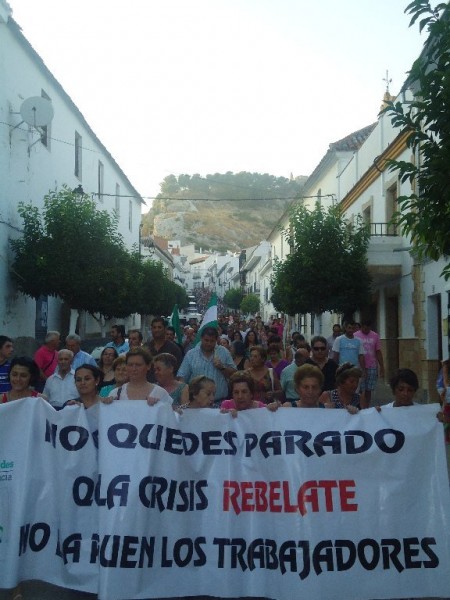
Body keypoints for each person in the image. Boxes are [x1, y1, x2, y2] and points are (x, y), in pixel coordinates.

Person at [177, 327, 236, 405]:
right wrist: (184, 398)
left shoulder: (224, 352)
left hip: (219, 403)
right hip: (196, 404)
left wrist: (222, 367)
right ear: (201, 338)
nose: (208, 343)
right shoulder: (191, 354)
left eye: (212, 341)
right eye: (206, 340)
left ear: (217, 340)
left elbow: (234, 375)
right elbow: (182, 378)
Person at [108, 347, 172, 405]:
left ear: (148, 366)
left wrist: (159, 405)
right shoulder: (114, 394)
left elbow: (172, 414)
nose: (134, 369)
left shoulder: (160, 393)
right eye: (130, 365)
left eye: (138, 365)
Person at [354, 319, 385, 406]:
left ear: (370, 327)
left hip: (372, 365)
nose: (366, 328)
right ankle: (359, 405)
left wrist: (382, 366)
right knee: (359, 388)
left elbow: (378, 351)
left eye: (368, 327)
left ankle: (367, 406)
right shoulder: (355, 336)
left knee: (369, 389)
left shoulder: (375, 336)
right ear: (361, 326)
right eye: (364, 327)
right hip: (359, 366)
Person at [145, 317, 183, 382]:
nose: (157, 330)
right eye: (154, 327)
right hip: (148, 387)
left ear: (165, 329)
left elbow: (178, 372)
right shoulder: (145, 348)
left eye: (159, 327)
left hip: (167, 387)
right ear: (151, 329)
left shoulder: (174, 349)